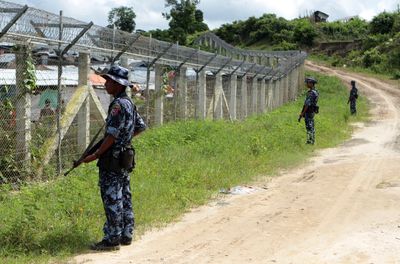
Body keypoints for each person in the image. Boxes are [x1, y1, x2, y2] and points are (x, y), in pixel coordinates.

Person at [81, 65, 146, 251]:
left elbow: (111, 135)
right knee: (124, 195)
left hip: (113, 158)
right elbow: (140, 127)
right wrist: (125, 140)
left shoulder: (118, 105)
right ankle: (126, 234)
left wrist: (95, 154)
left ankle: (112, 239)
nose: (105, 84)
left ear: (117, 84)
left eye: (108, 81)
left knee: (112, 198)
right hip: (125, 156)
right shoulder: (129, 103)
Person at [299, 77, 319, 145]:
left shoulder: (311, 93)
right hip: (312, 111)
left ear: (311, 83)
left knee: (309, 126)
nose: (306, 84)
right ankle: (312, 140)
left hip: (308, 111)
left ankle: (310, 141)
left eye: (308, 83)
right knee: (311, 126)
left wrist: (302, 113)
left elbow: (307, 104)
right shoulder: (316, 92)